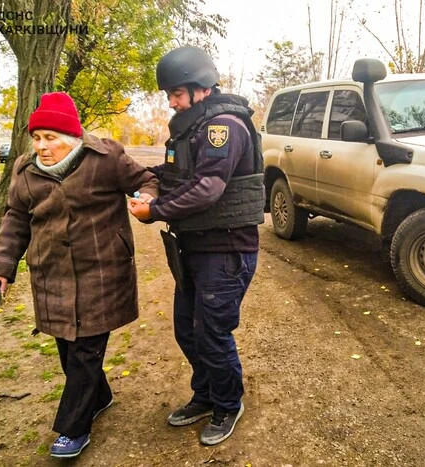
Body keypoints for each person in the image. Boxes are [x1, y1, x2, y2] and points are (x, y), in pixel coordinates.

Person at [0, 91, 159, 458]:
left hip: (101, 271)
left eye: (51, 138)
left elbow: (146, 180)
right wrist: (0, 267)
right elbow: (15, 220)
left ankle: (73, 428)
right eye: (36, 138)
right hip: (52, 274)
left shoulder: (105, 158)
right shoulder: (25, 171)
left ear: (72, 138)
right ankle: (101, 396)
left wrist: (145, 198)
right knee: (68, 346)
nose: (42, 147)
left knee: (85, 350)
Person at [127, 45, 264, 446]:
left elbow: (208, 188)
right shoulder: (189, 129)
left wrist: (156, 211)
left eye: (176, 93)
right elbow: (169, 173)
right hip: (195, 249)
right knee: (187, 330)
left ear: (200, 86)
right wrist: (139, 181)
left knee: (211, 332)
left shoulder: (225, 127)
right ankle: (205, 395)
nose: (171, 101)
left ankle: (227, 403)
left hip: (226, 250)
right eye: (169, 95)